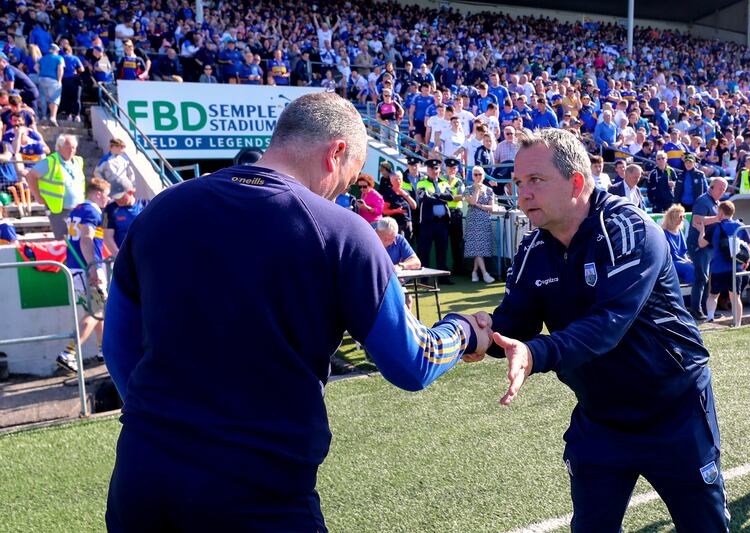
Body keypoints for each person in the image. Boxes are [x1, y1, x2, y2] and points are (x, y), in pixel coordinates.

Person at [103, 92, 490, 532]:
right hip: (259, 487)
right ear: (336, 152)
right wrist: (462, 330)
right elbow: (412, 363)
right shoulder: (342, 232)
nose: (343, 192)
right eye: (347, 180)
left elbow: (118, 347)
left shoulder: (161, 210)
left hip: (141, 476)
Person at [462, 128, 729, 533]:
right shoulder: (533, 249)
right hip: (600, 418)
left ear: (576, 182)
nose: (523, 195)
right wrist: (472, 332)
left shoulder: (629, 229)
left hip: (674, 412)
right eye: (518, 183)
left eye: (535, 181)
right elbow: (514, 322)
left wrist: (535, 353)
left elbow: (608, 325)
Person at [55, 177, 111, 372]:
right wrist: (94, 269)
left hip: (76, 266)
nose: (108, 199)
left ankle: (103, 350)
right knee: (96, 311)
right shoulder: (91, 211)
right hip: (87, 267)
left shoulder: (77, 209)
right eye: (106, 195)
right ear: (97, 194)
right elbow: (86, 240)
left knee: (96, 309)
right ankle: (69, 352)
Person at [699, 200, 750, 326]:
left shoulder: (714, 227)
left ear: (721, 213)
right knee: (735, 297)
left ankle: (710, 317)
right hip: (736, 267)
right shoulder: (741, 226)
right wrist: (747, 261)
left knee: (713, 295)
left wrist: (701, 231)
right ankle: (738, 323)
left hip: (718, 267)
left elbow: (701, 244)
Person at [27, 134, 86, 240]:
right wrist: (37, 196)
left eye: (73, 147)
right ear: (59, 147)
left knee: (78, 241)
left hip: (77, 209)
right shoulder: (51, 161)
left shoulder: (78, 161)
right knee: (63, 241)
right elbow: (31, 176)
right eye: (67, 147)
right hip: (59, 210)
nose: (71, 150)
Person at [687, 177, 728, 321]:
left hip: (709, 245)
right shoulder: (703, 200)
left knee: (706, 278)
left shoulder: (716, 202)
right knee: (701, 278)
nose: (722, 191)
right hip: (698, 245)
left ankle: (706, 309)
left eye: (724, 189)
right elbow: (696, 220)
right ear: (711, 187)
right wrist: (717, 218)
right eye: (720, 188)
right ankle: (696, 310)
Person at [416, 158, 454, 284]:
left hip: (442, 223)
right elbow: (424, 198)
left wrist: (435, 195)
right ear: (427, 170)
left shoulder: (444, 183)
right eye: (431, 169)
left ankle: (442, 278)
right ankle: (424, 279)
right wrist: (440, 197)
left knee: (442, 251)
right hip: (427, 223)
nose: (434, 171)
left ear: (439, 169)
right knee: (425, 251)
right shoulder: (421, 183)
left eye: (436, 168)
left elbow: (450, 197)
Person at [464, 165, 495, 283]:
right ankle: (485, 273)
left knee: (480, 248)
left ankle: (474, 271)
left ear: (483, 176)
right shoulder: (468, 189)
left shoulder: (489, 190)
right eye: (475, 175)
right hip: (472, 221)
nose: (478, 177)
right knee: (477, 248)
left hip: (484, 221)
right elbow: (472, 202)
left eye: (480, 174)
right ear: (472, 176)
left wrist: (480, 206)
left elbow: (491, 207)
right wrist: (477, 190)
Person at [103, 177, 147, 256]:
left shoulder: (146, 205)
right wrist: (120, 256)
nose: (117, 200)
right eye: (115, 197)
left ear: (130, 192)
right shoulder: (110, 209)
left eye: (120, 197)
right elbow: (107, 237)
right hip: (123, 255)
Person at [661, 204, 694, 284]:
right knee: (690, 268)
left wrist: (686, 259)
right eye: (680, 217)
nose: (683, 219)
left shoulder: (679, 231)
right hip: (671, 262)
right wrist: (684, 261)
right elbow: (668, 255)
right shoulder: (664, 233)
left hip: (680, 260)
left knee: (696, 265)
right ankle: (686, 294)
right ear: (673, 218)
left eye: (684, 216)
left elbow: (683, 251)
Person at [444, 157, 466, 276]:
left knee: (457, 242)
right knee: (442, 242)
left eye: (454, 168)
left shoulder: (459, 181)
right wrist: (453, 196)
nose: (452, 170)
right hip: (443, 213)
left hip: (456, 213)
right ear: (446, 168)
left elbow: (461, 196)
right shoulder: (441, 180)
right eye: (450, 168)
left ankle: (458, 268)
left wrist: (447, 196)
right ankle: (444, 268)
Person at [382, 170, 416, 239]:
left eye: (399, 179)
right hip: (396, 225)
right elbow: (384, 211)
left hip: (408, 224)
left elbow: (414, 206)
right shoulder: (388, 194)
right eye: (395, 180)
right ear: (391, 181)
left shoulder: (407, 191)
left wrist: (405, 195)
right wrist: (396, 211)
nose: (398, 181)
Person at [37, 44, 64, 126]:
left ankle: (44, 116)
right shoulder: (59, 58)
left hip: (42, 78)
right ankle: (53, 117)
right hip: (53, 80)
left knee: (43, 97)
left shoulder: (43, 58)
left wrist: (40, 73)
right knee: (54, 98)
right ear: (56, 51)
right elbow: (60, 69)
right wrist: (59, 80)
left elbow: (36, 67)